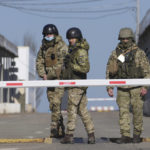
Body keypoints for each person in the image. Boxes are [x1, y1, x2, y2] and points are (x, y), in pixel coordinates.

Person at [106, 27, 150, 144]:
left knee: (137, 112)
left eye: (127, 38)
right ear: (120, 39)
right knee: (123, 112)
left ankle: (136, 134)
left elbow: (147, 71)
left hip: (136, 87)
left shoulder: (139, 53)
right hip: (122, 88)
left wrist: (145, 87)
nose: (125, 41)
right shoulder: (115, 54)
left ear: (131, 39)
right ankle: (125, 135)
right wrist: (109, 87)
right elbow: (109, 71)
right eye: (123, 39)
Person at [61, 27, 95, 144]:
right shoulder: (72, 50)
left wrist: (72, 66)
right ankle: (91, 134)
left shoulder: (80, 51)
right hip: (73, 84)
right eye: (69, 38)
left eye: (73, 38)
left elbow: (86, 68)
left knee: (71, 109)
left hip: (77, 84)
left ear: (78, 38)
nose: (70, 40)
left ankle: (69, 135)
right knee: (82, 110)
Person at [36, 24, 68, 138]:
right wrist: (42, 74)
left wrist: (49, 75)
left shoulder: (62, 46)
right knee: (52, 105)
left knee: (56, 103)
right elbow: (39, 61)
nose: (49, 36)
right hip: (48, 81)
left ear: (55, 34)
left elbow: (62, 63)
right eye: (47, 34)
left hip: (59, 79)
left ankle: (54, 127)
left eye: (51, 34)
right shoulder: (43, 47)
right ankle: (61, 128)